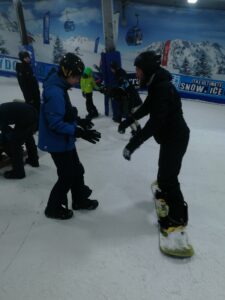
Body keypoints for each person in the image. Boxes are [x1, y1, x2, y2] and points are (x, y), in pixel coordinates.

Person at [118, 51, 190, 233]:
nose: (137, 74)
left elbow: (154, 123)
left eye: (139, 70)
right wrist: (128, 121)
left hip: (176, 138)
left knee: (169, 176)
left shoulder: (162, 88)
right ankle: (165, 191)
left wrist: (132, 144)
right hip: (169, 137)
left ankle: (178, 216)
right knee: (163, 169)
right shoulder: (157, 84)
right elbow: (147, 108)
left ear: (148, 70)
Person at [38, 53, 101, 220]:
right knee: (67, 176)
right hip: (56, 142)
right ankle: (52, 208)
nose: (78, 80)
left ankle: (79, 200)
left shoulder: (61, 86)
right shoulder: (55, 92)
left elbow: (64, 113)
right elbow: (55, 123)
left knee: (77, 170)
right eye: (76, 77)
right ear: (67, 74)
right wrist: (79, 131)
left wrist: (79, 121)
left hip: (65, 140)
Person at [0, 102, 39, 179]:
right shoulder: (2, 110)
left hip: (25, 116)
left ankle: (18, 172)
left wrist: (14, 140)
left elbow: (7, 131)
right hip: (32, 112)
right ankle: (33, 160)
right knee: (28, 136)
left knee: (15, 142)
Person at [110, 61, 142, 136]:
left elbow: (123, 87)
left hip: (131, 98)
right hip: (132, 97)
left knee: (129, 116)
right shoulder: (121, 72)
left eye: (111, 68)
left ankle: (135, 131)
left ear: (113, 68)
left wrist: (118, 91)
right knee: (130, 115)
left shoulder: (120, 76)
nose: (111, 70)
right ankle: (138, 128)